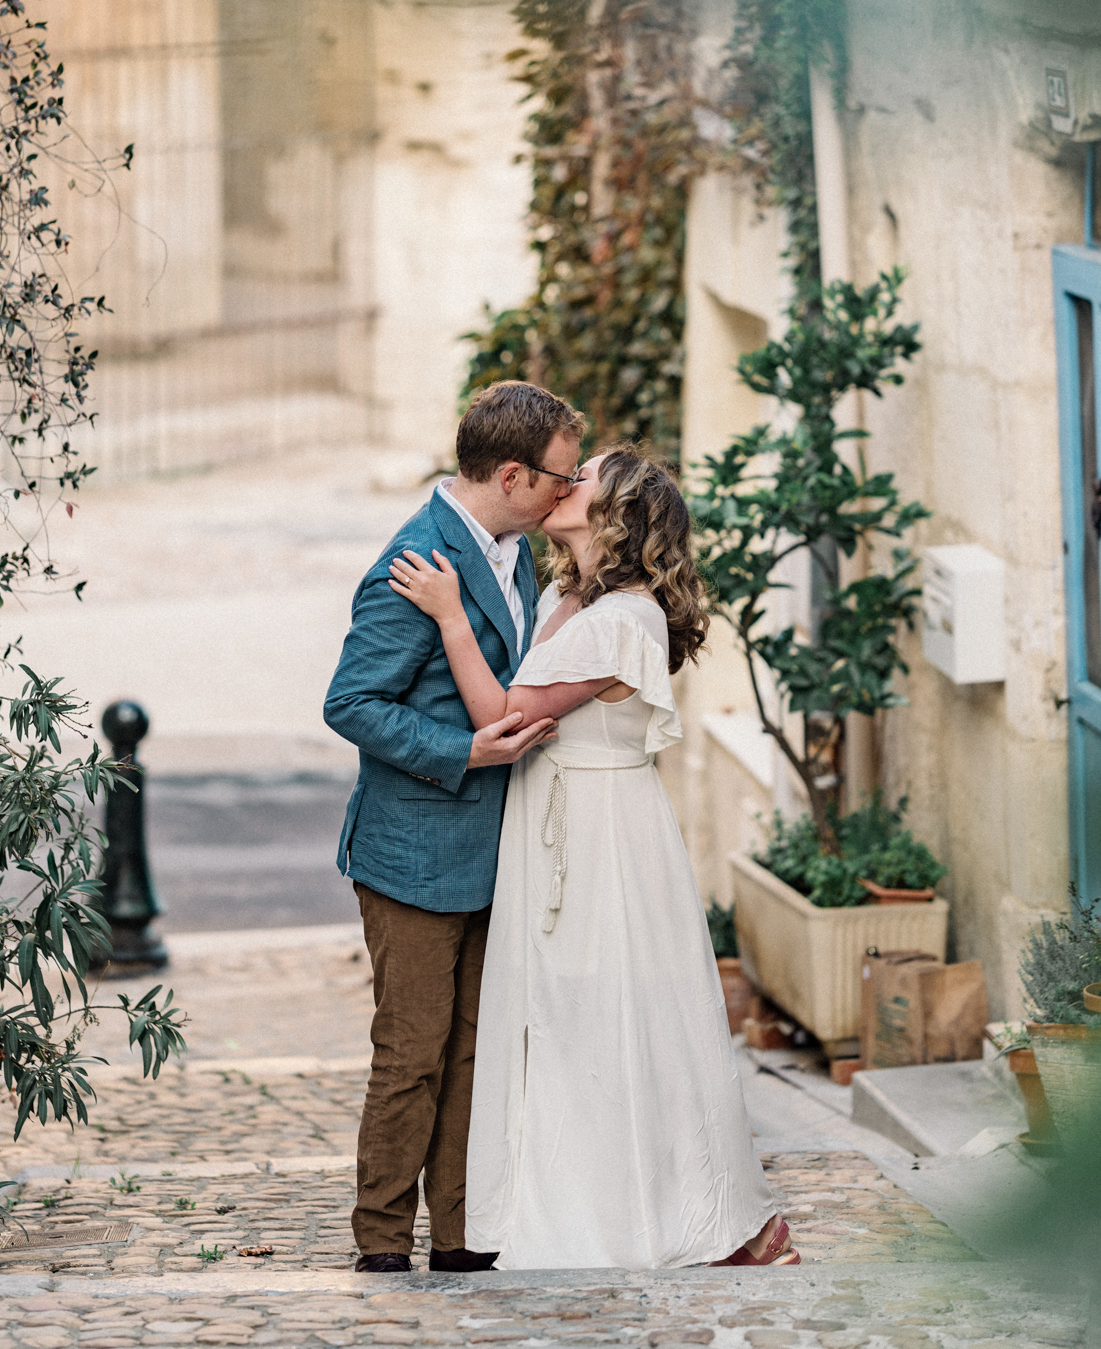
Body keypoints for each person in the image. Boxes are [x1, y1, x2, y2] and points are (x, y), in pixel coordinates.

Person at [388, 444, 798, 1271]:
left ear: (617, 516)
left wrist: (449, 616)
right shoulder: (564, 596)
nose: (565, 484)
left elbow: (503, 713)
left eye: (585, 478)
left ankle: (691, 1216)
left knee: (606, 1016)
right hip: (557, 817)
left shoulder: (621, 619)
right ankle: (594, 1193)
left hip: (602, 835)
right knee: (565, 1020)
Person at [323, 380, 586, 1274]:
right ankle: (382, 1244)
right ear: (512, 473)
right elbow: (351, 702)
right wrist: (463, 751)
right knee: (412, 1056)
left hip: (494, 848)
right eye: (560, 473)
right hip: (415, 854)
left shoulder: (511, 546)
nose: (570, 487)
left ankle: (463, 1236)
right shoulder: (414, 562)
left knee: (476, 1049)